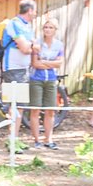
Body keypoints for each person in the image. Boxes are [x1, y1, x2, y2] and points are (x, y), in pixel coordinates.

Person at [1, 0, 38, 137]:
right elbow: (25, 48)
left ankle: (14, 138)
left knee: (20, 105)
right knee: (15, 104)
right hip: (12, 68)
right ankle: (12, 139)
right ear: (30, 10)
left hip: (24, 69)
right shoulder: (14, 24)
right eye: (35, 11)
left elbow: (34, 47)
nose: (36, 14)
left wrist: (31, 46)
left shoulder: (27, 26)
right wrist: (31, 46)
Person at [28, 18, 64, 149]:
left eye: (51, 27)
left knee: (50, 110)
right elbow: (35, 63)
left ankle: (48, 139)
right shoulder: (37, 43)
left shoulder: (59, 45)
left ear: (55, 30)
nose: (48, 30)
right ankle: (36, 140)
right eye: (46, 27)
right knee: (35, 110)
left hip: (51, 79)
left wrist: (44, 62)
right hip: (37, 79)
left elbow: (59, 63)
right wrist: (50, 63)